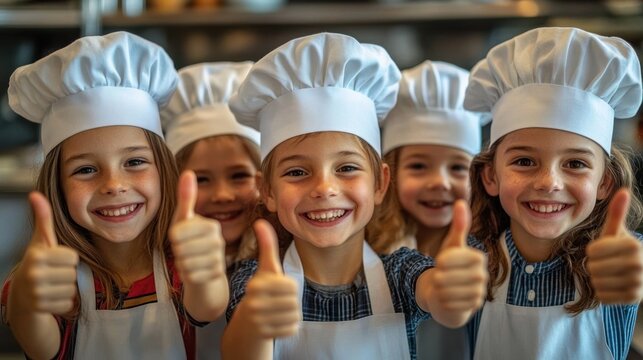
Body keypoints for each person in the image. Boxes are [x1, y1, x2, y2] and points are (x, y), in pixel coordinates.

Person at [220, 32, 488, 360]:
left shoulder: (401, 272)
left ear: (380, 183)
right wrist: (256, 321)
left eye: (346, 168)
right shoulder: (255, 279)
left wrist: (452, 293)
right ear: (267, 191)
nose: (324, 188)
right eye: (297, 172)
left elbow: (441, 300)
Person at [1, 32, 228, 360]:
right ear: (57, 185)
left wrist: (208, 272)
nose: (113, 184)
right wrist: (26, 304)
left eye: (135, 162)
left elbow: (207, 306)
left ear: (163, 170)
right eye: (85, 170)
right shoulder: (51, 277)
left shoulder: (178, 265)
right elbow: (41, 347)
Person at [463, 27, 643, 360]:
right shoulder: (471, 259)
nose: (549, 182)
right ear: (490, 175)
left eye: (575, 163)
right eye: (524, 160)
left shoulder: (623, 255)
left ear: (604, 182)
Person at [369, 60, 489, 359]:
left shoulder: (490, 249)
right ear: (389, 174)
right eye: (419, 166)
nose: (439, 182)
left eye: (458, 167)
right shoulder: (369, 249)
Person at [161, 61, 261, 360]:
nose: (222, 195)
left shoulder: (289, 255)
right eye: (201, 179)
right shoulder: (160, 266)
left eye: (239, 176)